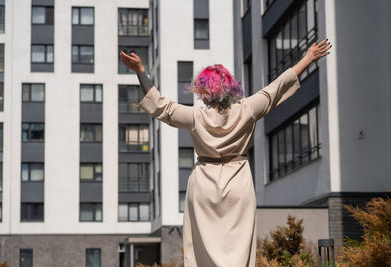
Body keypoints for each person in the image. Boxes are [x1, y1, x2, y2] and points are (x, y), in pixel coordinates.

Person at [120, 38, 331, 267]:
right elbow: (278, 87)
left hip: (204, 186)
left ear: (203, 90)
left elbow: (162, 107)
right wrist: (308, 58)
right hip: (238, 181)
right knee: (239, 248)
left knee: (203, 250)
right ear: (231, 87)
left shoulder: (195, 116)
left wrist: (141, 71)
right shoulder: (248, 109)